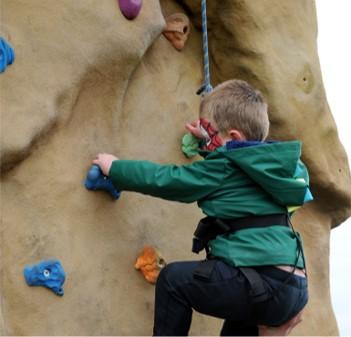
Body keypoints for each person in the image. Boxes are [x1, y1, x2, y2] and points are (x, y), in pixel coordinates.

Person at [92, 79, 311, 336]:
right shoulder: (279, 173)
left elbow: (170, 180)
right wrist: (209, 143)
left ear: (234, 137)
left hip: (259, 281)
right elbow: (236, 175)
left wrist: (116, 169)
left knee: (173, 281)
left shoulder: (225, 169)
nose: (208, 139)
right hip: (290, 287)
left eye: (211, 132)